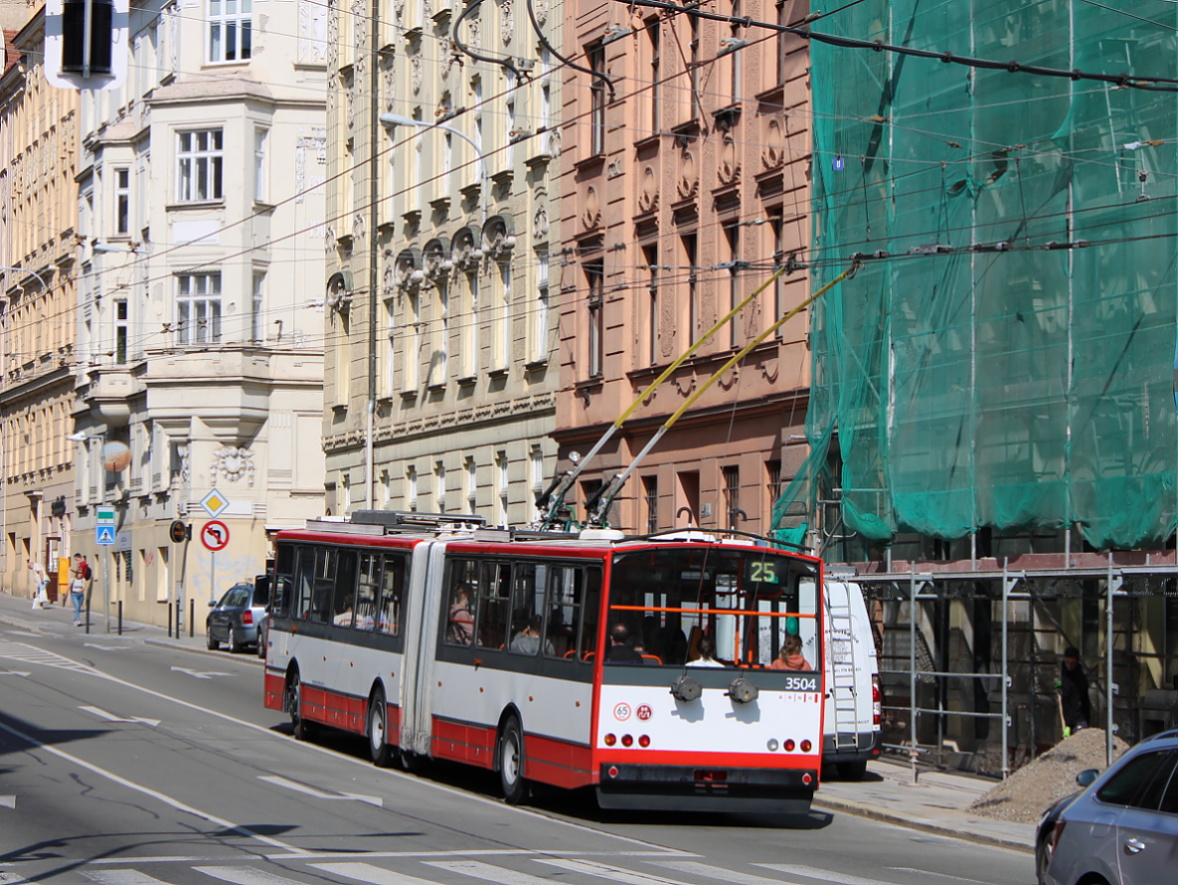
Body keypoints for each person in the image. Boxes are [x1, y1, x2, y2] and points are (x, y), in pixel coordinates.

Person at [1058, 645, 1091, 736]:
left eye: (1072, 663)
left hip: (1079, 719)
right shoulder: (1064, 672)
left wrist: (1070, 724)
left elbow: (1077, 703)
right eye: (1067, 662)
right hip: (1068, 718)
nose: (1069, 665)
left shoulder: (1080, 680)